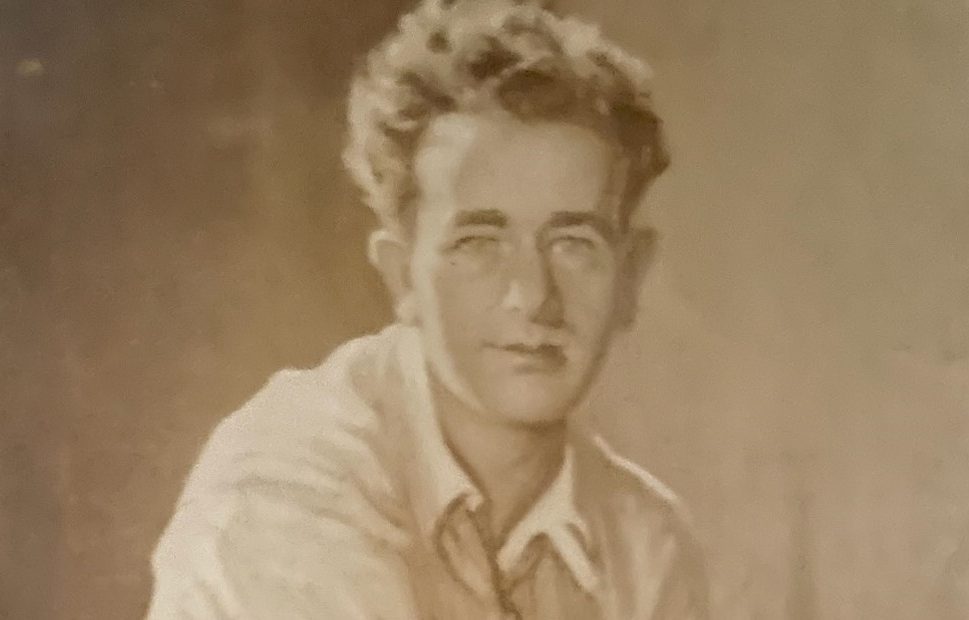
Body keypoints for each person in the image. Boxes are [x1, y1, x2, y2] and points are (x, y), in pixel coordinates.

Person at [146, 1, 709, 618]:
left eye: (574, 244)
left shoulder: (646, 544)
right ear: (401, 275)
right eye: (479, 243)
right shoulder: (284, 487)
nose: (532, 295)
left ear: (630, 277)